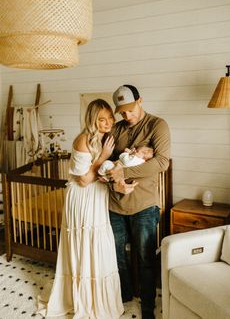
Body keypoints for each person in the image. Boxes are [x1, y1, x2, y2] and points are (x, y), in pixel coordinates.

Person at [37, 99, 124, 319]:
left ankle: (99, 299)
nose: (107, 123)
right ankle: (82, 299)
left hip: (97, 197)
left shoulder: (105, 139)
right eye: (101, 119)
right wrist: (103, 157)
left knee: (98, 245)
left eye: (109, 118)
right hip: (82, 198)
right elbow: (84, 180)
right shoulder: (83, 140)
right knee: (85, 244)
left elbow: (100, 174)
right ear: (92, 120)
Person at [108, 84, 170, 319]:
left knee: (145, 257)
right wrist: (114, 180)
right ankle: (124, 296)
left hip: (144, 204)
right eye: (122, 111)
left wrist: (123, 173)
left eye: (130, 109)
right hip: (115, 204)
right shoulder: (116, 129)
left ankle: (147, 306)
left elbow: (162, 162)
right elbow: (107, 163)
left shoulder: (157, 125)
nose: (127, 116)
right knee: (116, 254)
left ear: (140, 101)